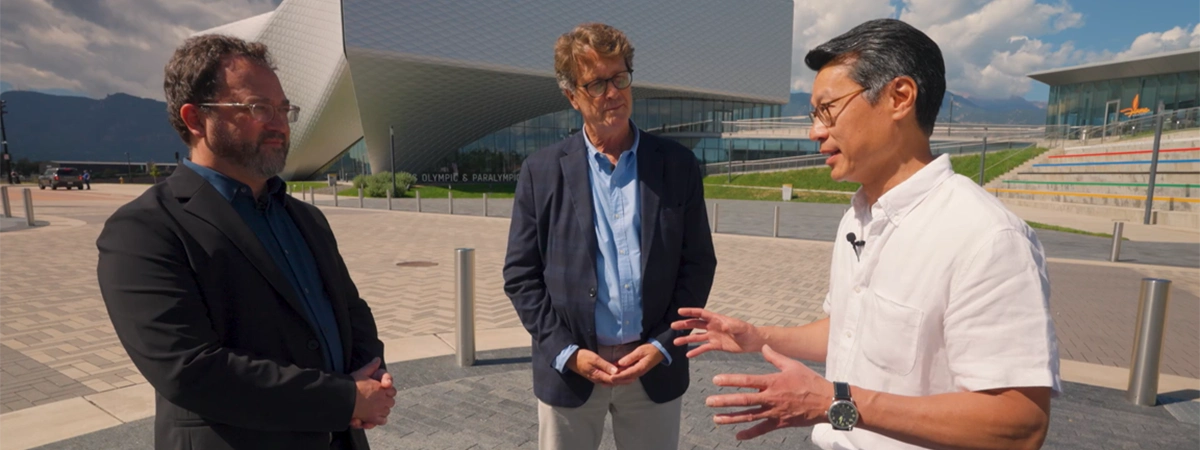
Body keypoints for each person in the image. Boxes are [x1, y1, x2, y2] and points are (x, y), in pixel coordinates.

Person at [672, 18, 1060, 450]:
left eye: (828, 109)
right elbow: (849, 331)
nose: (815, 131)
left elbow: (1020, 424)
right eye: (814, 113)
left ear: (900, 97)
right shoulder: (858, 216)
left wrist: (837, 402)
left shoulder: (987, 237)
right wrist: (759, 337)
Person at [96, 34, 394, 450]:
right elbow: (191, 370)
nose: (280, 124)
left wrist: (373, 373)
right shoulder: (143, 230)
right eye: (258, 108)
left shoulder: (305, 218)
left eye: (284, 109)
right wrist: (344, 399)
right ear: (196, 119)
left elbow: (350, 310)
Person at [503, 23, 717, 450]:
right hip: (572, 370)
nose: (613, 93)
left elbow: (698, 265)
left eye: (619, 78)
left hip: (653, 367)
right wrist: (566, 351)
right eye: (597, 83)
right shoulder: (541, 171)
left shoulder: (677, 166)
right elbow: (521, 276)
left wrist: (664, 342)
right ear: (572, 96)